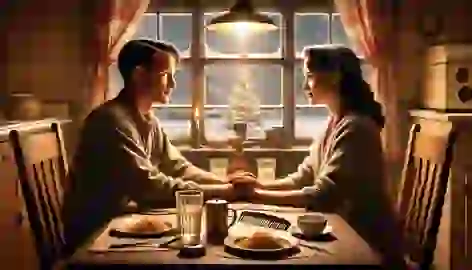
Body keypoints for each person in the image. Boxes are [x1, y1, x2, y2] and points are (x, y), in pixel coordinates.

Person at [62, 39, 255, 253]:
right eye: (166, 76)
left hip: (125, 228)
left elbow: (179, 167)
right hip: (94, 239)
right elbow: (148, 186)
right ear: (139, 75)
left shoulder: (148, 120)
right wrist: (225, 192)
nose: (172, 84)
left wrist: (225, 183)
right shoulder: (110, 122)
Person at [232, 45, 406, 268]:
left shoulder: (356, 128)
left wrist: (258, 195)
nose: (305, 85)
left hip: (368, 250)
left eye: (310, 76)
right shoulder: (334, 123)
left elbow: (323, 196)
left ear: (334, 77)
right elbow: (303, 177)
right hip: (342, 237)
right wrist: (259, 185)